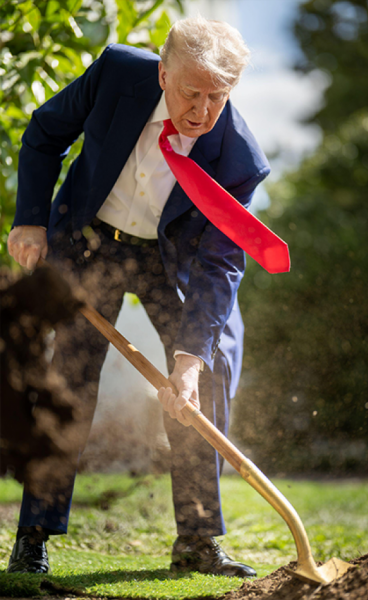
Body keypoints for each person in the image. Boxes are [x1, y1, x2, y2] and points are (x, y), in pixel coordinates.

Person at [5, 17, 270, 577]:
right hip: (91, 243)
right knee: (70, 378)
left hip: (169, 260)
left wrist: (189, 359)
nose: (201, 111)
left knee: (207, 375)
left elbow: (220, 263)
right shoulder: (116, 73)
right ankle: (34, 535)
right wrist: (30, 220)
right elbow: (45, 132)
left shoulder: (238, 160)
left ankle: (197, 539)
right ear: (161, 74)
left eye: (217, 97)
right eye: (190, 92)